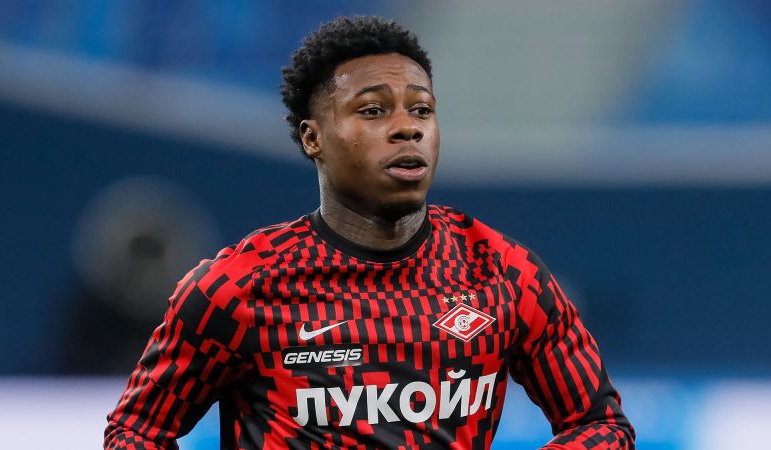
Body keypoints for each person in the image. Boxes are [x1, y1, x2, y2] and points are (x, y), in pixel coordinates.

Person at [105, 16, 635, 450]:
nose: (408, 127)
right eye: (373, 110)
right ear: (313, 138)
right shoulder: (238, 287)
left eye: (422, 109)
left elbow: (601, 426)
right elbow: (134, 433)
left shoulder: (504, 273)